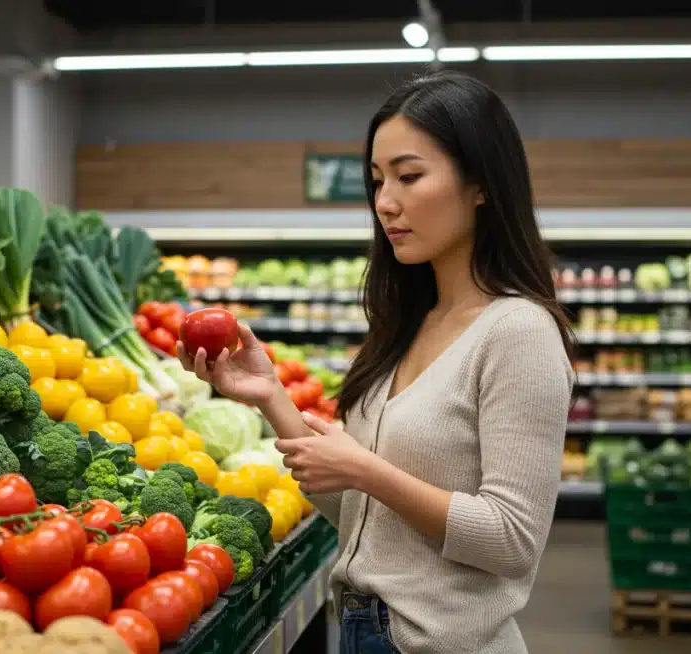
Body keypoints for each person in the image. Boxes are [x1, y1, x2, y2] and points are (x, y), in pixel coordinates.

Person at [177, 71, 575, 654]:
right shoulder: (409, 325)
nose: (386, 202)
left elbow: (511, 541)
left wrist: (366, 468)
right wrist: (271, 398)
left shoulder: (519, 333)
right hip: (365, 632)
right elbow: (364, 517)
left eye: (410, 176)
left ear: (481, 184)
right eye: (377, 180)